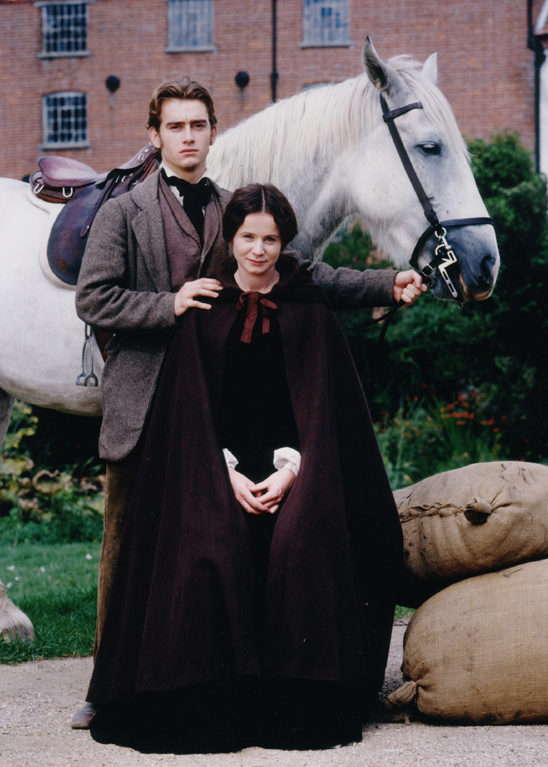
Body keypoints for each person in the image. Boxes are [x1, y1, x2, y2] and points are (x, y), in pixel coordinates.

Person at [72, 77, 426, 729]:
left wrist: (383, 281)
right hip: (148, 394)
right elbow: (93, 299)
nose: (187, 137)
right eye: (174, 127)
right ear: (156, 136)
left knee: (233, 540)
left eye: (197, 126)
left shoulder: (234, 209)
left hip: (218, 390)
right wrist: (167, 304)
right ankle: (112, 681)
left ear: (211, 131)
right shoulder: (125, 212)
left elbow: (302, 274)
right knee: (132, 540)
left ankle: (232, 665)